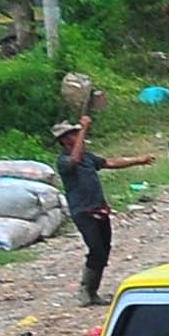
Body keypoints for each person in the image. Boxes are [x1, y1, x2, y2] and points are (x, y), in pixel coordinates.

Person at [55, 120, 147, 303]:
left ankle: (93, 292)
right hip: (83, 211)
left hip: (99, 208)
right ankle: (85, 290)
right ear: (65, 140)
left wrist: (137, 160)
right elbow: (74, 160)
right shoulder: (63, 160)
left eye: (77, 133)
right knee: (96, 249)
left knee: (104, 250)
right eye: (73, 134)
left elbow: (110, 163)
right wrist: (84, 129)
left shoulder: (88, 157)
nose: (77, 136)